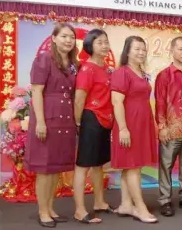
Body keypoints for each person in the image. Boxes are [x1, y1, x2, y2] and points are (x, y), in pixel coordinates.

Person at [24, 23, 78, 228]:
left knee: (56, 168)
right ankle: (42, 211)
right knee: (45, 169)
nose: (68, 40)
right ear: (54, 38)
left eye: (71, 37)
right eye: (64, 36)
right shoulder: (45, 59)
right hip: (47, 117)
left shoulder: (73, 63)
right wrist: (40, 122)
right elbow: (37, 91)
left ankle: (51, 207)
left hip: (65, 119)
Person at [111, 36, 158, 223]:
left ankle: (125, 204)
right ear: (127, 51)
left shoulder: (141, 72)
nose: (141, 52)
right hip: (128, 125)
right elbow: (117, 102)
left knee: (130, 166)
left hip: (142, 124)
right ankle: (140, 208)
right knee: (133, 167)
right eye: (136, 49)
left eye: (143, 49)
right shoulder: (122, 72)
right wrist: (123, 128)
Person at [73, 29, 114, 223]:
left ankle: (100, 202)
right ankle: (80, 210)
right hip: (90, 119)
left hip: (106, 119)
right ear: (90, 45)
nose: (105, 45)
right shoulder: (87, 69)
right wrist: (78, 122)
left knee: (99, 165)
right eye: (100, 42)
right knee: (83, 166)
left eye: (106, 42)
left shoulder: (106, 68)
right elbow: (79, 99)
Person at [155, 36, 182, 216]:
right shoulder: (164, 75)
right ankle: (165, 199)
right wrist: (162, 126)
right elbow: (159, 102)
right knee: (166, 165)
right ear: (171, 51)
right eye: (180, 49)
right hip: (171, 129)